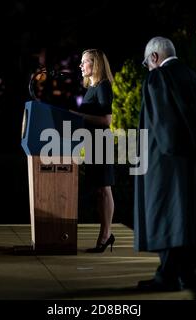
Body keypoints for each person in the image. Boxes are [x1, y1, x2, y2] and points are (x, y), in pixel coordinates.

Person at [134, 36, 196, 291]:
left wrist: (190, 146)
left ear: (154, 58)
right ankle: (188, 274)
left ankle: (168, 276)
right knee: (189, 218)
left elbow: (165, 124)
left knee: (168, 218)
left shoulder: (158, 78)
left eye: (147, 63)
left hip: (166, 163)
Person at [72, 49, 116, 253]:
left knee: (104, 189)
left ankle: (105, 235)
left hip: (101, 142)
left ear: (95, 64)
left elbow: (107, 120)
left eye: (84, 62)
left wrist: (77, 115)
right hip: (91, 143)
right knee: (99, 191)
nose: (80, 66)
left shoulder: (103, 86)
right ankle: (105, 234)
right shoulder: (91, 88)